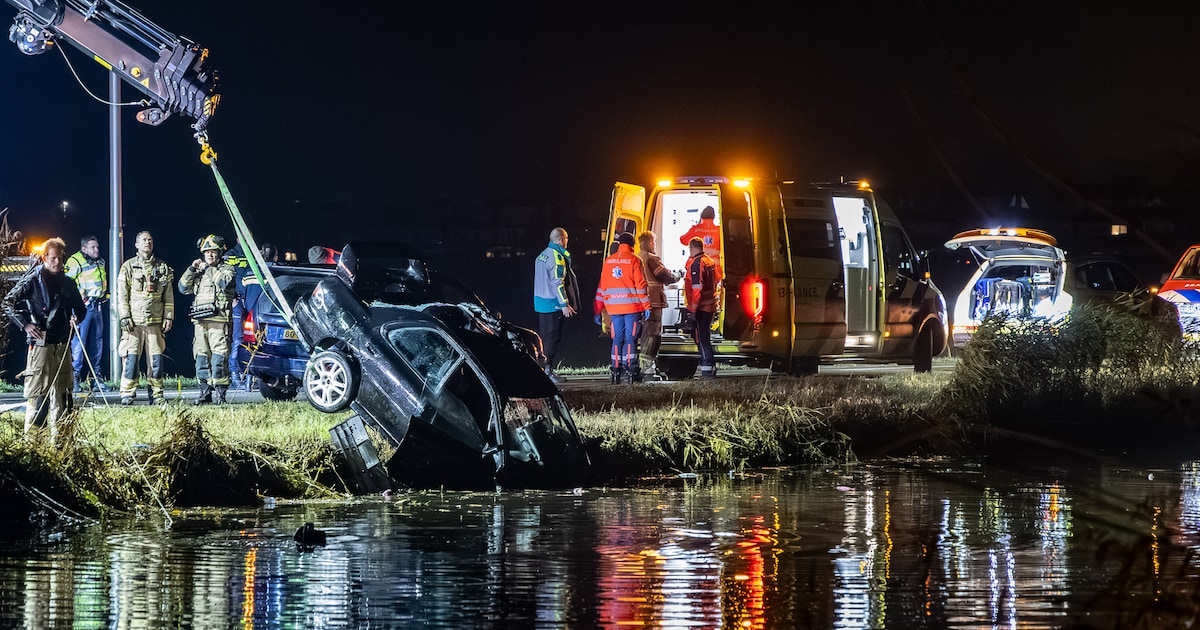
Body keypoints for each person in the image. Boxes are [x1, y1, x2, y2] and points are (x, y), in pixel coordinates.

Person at [3, 237, 87, 438]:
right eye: (53, 258)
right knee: (39, 398)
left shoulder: (68, 282)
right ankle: (34, 447)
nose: (57, 262)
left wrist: (76, 317)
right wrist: (25, 324)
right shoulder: (32, 280)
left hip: (63, 345)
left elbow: (81, 310)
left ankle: (62, 445)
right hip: (40, 344)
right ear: (44, 258)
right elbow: (8, 302)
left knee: (65, 398)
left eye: (60, 258)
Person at [116, 230, 174, 405]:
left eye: (150, 239)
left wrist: (169, 316)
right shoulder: (128, 266)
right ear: (136, 245)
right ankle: (127, 392)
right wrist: (124, 316)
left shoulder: (162, 267)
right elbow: (122, 294)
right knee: (131, 360)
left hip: (155, 323)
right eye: (144, 240)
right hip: (133, 324)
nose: (147, 242)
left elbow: (169, 295)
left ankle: (156, 393)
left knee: (156, 361)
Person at [179, 234, 237, 404]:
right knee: (201, 357)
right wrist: (191, 269)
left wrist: (206, 269)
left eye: (213, 252)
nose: (210, 255)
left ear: (219, 253)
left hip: (219, 321)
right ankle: (204, 392)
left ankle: (220, 393)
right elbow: (183, 288)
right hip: (200, 322)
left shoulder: (227, 269)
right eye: (207, 252)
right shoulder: (199, 272)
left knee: (219, 357)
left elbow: (225, 282)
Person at [596, 232, 650, 384]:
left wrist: (605, 306)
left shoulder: (609, 261)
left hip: (614, 308)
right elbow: (641, 286)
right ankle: (632, 371)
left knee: (617, 339)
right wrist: (647, 306)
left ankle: (615, 371)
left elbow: (604, 285)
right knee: (630, 339)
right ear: (632, 245)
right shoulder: (635, 260)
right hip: (632, 307)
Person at [533, 227, 579, 382]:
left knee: (544, 338)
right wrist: (564, 304)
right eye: (566, 239)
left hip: (541, 303)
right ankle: (548, 371)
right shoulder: (556, 257)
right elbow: (557, 283)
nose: (567, 242)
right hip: (553, 304)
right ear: (561, 240)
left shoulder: (542, 255)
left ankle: (542, 370)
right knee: (552, 338)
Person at [64, 235, 108, 391]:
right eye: (93, 247)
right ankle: (74, 378)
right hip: (83, 307)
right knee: (79, 343)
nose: (97, 249)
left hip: (98, 305)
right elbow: (66, 284)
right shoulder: (74, 261)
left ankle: (96, 378)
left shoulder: (100, 261)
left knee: (97, 343)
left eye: (97, 247)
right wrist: (77, 299)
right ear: (84, 249)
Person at [635, 230, 681, 380]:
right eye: (653, 242)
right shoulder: (651, 258)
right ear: (649, 243)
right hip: (653, 302)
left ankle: (644, 367)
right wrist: (680, 274)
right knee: (653, 335)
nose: (654, 245)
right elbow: (665, 276)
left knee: (644, 335)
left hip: (640, 303)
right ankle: (648, 369)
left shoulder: (637, 257)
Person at [685, 236, 719, 379]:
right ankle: (710, 369)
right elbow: (716, 279)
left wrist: (692, 310)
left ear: (692, 248)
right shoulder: (709, 261)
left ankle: (706, 371)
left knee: (702, 339)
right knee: (705, 337)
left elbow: (696, 290)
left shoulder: (697, 264)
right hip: (710, 306)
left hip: (701, 308)